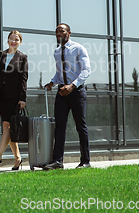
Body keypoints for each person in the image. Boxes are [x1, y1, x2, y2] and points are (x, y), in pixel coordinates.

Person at [43, 23, 91, 170]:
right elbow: (59, 73)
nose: (58, 33)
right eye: (57, 32)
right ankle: (57, 161)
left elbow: (86, 70)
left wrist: (72, 85)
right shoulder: (57, 52)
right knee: (59, 126)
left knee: (80, 126)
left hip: (76, 91)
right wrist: (52, 82)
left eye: (61, 31)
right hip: (62, 92)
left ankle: (85, 161)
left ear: (69, 33)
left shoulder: (78, 48)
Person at [0, 31, 28, 170]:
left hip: (14, 98)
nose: (13, 41)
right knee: (7, 127)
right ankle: (18, 158)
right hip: (2, 97)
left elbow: (23, 79)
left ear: (20, 42)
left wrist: (22, 98)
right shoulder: (1, 54)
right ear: (7, 40)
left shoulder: (23, 57)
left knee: (8, 126)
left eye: (16, 39)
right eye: (11, 39)